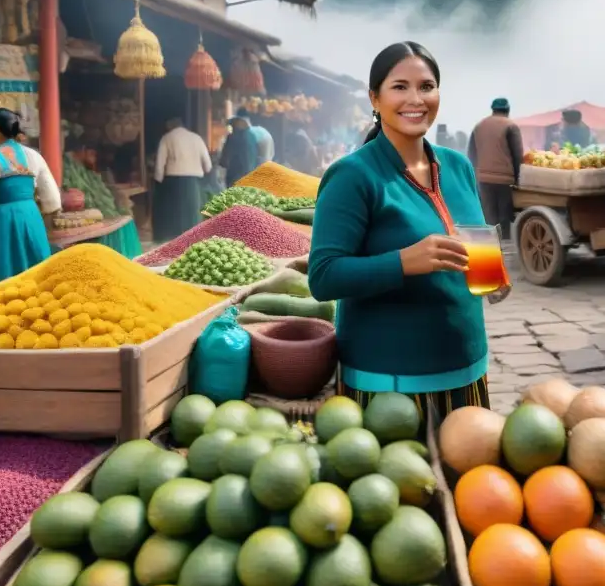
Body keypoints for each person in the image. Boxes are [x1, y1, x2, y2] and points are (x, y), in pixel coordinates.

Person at [308, 41, 509, 416]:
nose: (415, 98)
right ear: (375, 98)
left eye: (427, 86)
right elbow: (323, 277)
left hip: (468, 369)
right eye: (400, 87)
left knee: (467, 473)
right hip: (390, 384)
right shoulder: (353, 176)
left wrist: (492, 272)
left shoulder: (458, 166)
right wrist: (404, 261)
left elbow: (471, 238)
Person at [0, 108, 61, 294]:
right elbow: (52, 200)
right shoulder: (33, 156)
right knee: (35, 277)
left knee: (0, 279)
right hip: (30, 218)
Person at [468, 98, 523, 241]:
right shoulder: (511, 126)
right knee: (505, 216)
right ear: (508, 110)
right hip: (505, 179)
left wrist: (475, 176)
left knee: (489, 215)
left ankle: (491, 247)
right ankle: (505, 246)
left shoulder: (479, 126)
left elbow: (471, 154)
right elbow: (517, 155)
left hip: (484, 179)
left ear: (492, 110)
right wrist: (519, 179)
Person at [153, 118, 211, 242]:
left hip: (173, 181)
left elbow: (159, 164)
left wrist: (158, 180)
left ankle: (175, 242)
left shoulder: (167, 138)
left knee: (175, 214)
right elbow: (208, 165)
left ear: (170, 126)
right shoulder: (197, 138)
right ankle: (194, 240)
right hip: (194, 182)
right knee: (192, 213)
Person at [219, 114, 259, 187]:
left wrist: (222, 163)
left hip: (234, 172)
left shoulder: (232, 137)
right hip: (250, 172)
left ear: (234, 127)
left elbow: (226, 156)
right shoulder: (252, 136)